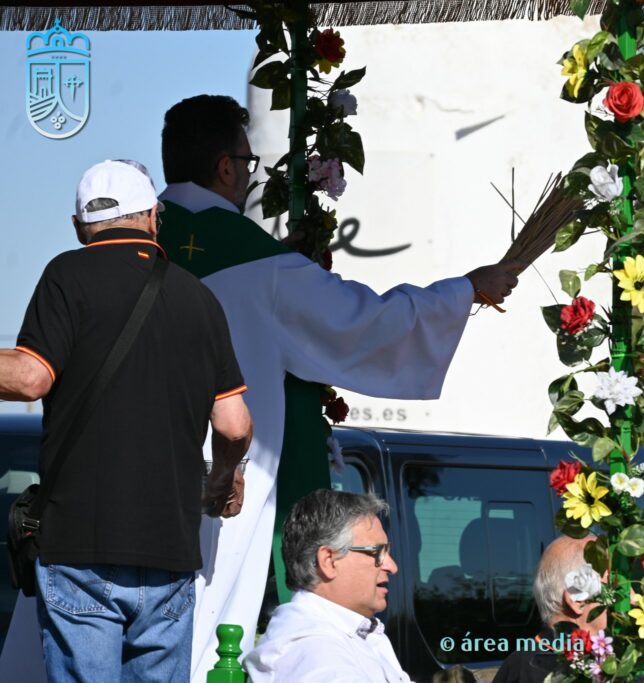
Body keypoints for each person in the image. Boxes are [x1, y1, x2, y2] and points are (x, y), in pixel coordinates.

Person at [154, 94, 522, 679]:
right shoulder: (261, 266)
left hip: (113, 497)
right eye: (247, 166)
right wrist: (465, 290)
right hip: (220, 496)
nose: (248, 179)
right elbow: (366, 325)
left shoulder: (114, 251)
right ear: (225, 167)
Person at [0, 160, 253, 682]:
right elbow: (233, 424)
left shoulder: (67, 274)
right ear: (154, 218)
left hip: (82, 548)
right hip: (171, 552)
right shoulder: (200, 300)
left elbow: (29, 378)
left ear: (78, 228)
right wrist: (223, 477)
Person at [244, 489, 408, 682]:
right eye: (379, 552)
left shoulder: (341, 635)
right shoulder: (313, 650)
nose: (392, 566)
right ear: (329, 560)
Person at [491, 535, 607, 683]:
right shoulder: (539, 671)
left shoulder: (525, 662)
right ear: (578, 600)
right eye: (615, 586)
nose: (634, 597)